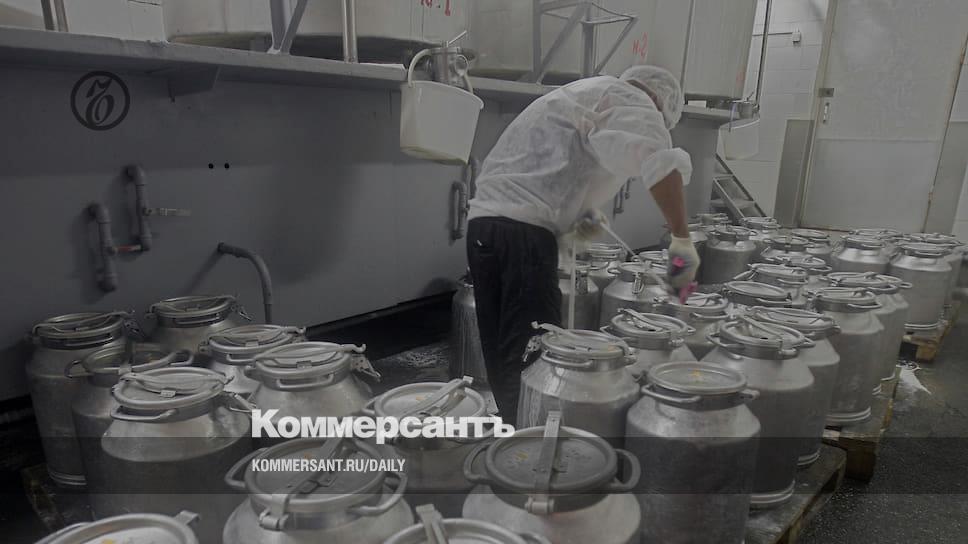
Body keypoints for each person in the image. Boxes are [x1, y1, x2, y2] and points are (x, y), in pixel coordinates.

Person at [465, 65, 700, 423]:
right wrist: (682, 239)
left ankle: (512, 430)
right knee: (534, 349)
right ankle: (530, 439)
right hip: (524, 235)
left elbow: (558, 172)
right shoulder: (633, 100)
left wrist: (578, 227)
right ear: (659, 103)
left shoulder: (583, 94)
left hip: (484, 226)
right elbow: (660, 163)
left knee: (502, 346)